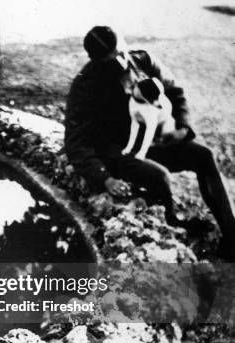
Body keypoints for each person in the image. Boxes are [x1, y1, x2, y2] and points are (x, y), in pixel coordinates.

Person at [64, 25, 235, 260]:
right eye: (113, 60)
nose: (123, 61)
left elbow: (175, 92)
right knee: (159, 176)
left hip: (155, 142)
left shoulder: (143, 60)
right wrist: (104, 177)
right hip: (120, 153)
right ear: (97, 61)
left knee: (203, 156)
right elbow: (76, 142)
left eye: (122, 52)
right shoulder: (86, 85)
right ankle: (174, 227)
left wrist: (182, 128)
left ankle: (232, 234)